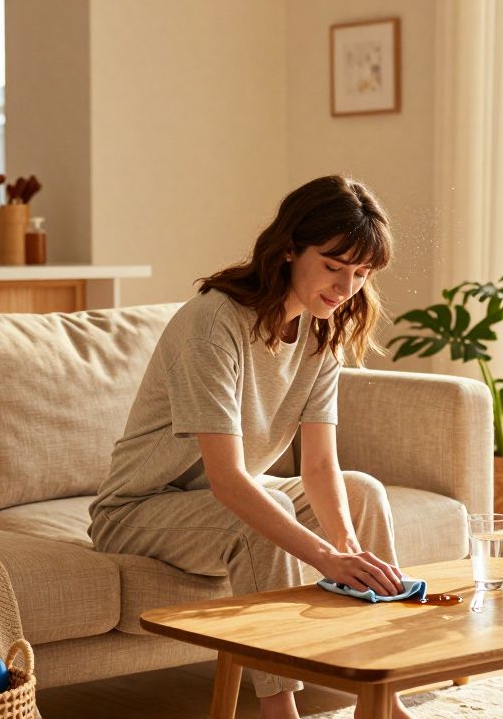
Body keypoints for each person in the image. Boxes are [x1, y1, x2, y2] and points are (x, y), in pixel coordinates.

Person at [90, 175, 416, 719]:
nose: (345, 287)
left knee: (363, 492)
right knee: (263, 513)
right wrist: (327, 559)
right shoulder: (213, 325)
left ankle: (378, 697)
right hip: (137, 511)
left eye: (361, 274)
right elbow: (229, 481)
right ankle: (278, 706)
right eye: (334, 266)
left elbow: (319, 463)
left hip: (210, 506)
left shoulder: (321, 330)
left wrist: (348, 548)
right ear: (289, 249)